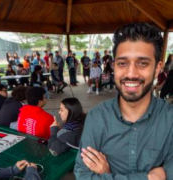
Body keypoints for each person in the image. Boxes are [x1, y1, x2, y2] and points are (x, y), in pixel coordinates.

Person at [74, 23, 173, 180]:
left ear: (158, 68)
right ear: (114, 67)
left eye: (142, 63)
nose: (131, 74)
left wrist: (107, 175)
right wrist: (150, 177)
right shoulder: (97, 117)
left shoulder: (170, 119)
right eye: (122, 63)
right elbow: (83, 175)